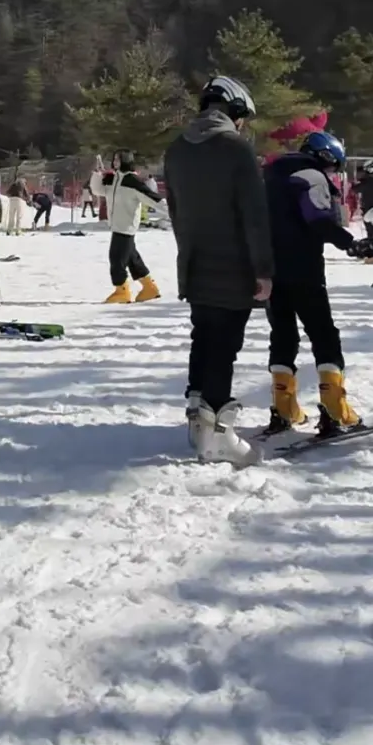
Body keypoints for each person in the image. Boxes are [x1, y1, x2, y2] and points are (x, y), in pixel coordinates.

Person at [163, 76, 273, 465]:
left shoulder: (176, 150)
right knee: (225, 345)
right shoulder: (235, 148)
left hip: (195, 263)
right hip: (234, 265)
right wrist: (263, 269)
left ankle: (198, 419)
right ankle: (218, 432)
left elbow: (175, 212)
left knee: (204, 337)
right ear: (235, 112)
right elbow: (254, 216)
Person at [264, 131, 373, 436]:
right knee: (323, 334)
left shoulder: (269, 174)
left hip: (268, 267)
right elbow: (317, 220)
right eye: (333, 168)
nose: (331, 174)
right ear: (327, 157)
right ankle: (335, 411)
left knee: (283, 333)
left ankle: (283, 408)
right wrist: (351, 244)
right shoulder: (311, 175)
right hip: (303, 267)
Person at [101, 156, 162, 304]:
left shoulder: (132, 181)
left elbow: (153, 198)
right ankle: (149, 287)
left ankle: (122, 290)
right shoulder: (114, 178)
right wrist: (98, 175)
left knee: (116, 258)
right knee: (131, 258)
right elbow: (98, 191)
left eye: (118, 159)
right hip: (117, 224)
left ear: (125, 161)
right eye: (114, 159)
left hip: (126, 226)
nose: (115, 162)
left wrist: (176, 213)